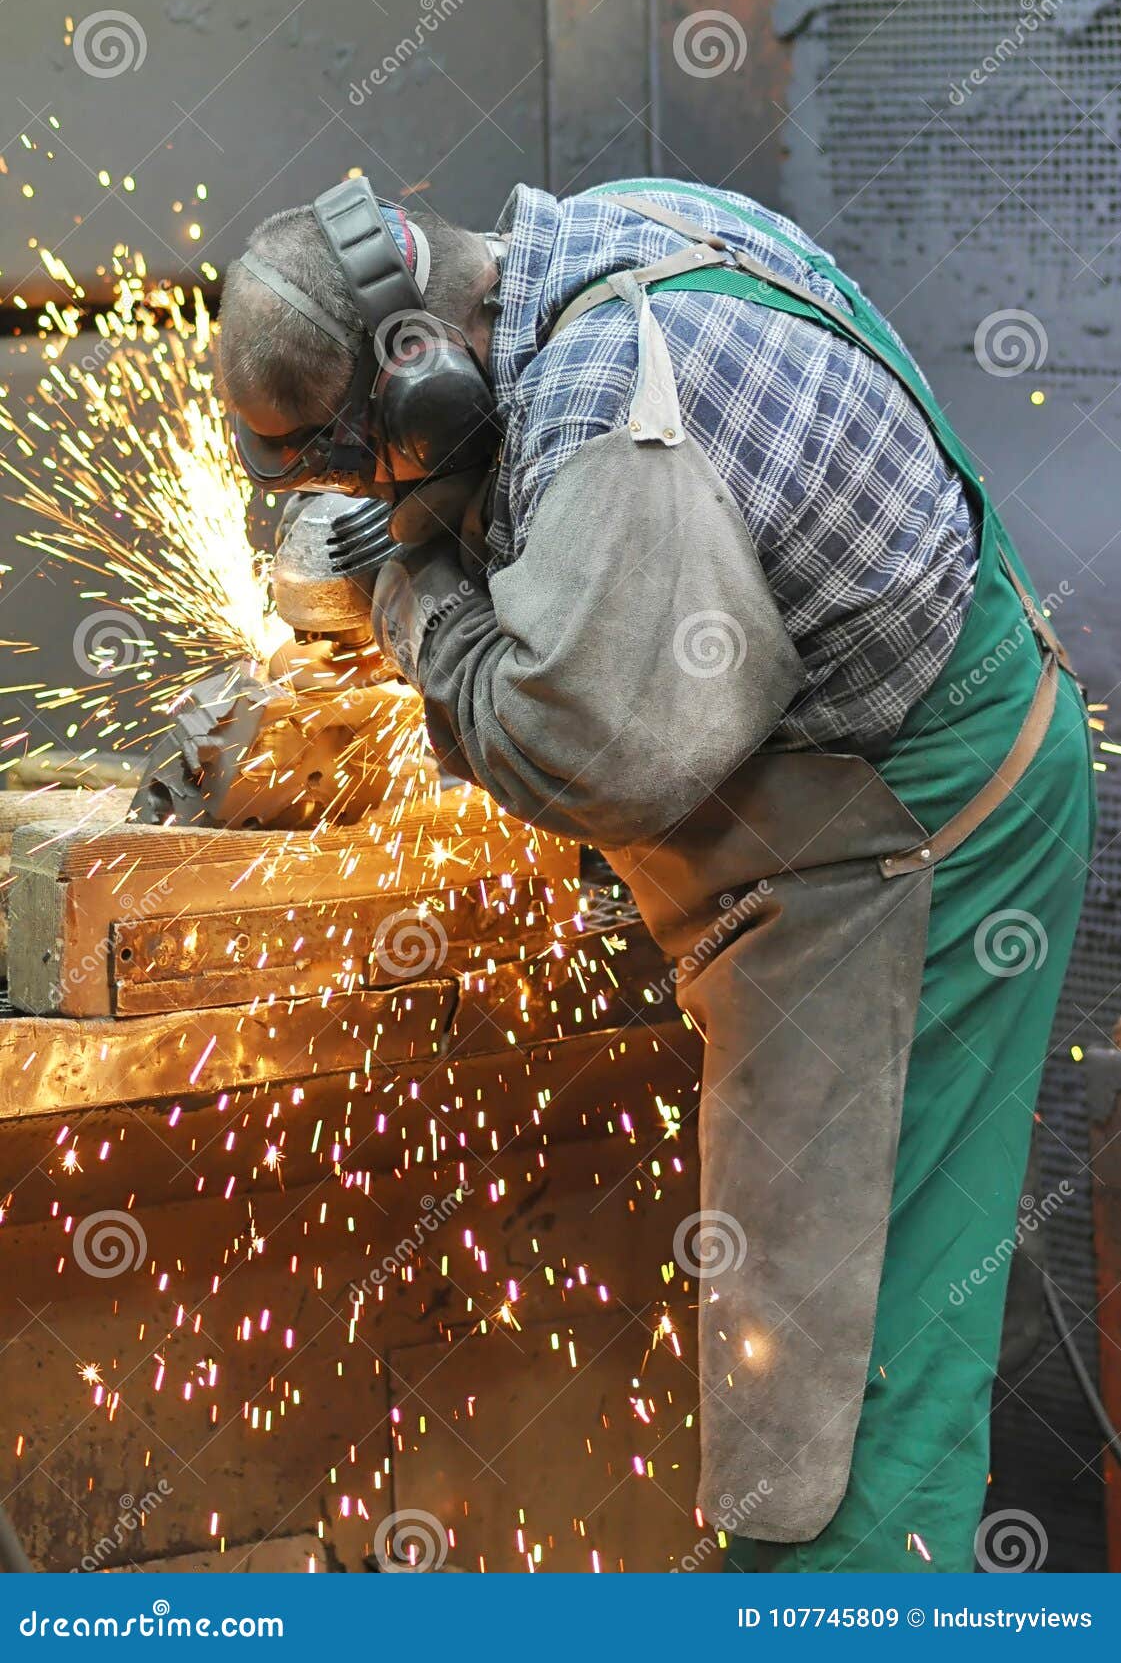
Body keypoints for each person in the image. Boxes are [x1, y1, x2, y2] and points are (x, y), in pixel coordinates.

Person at [219, 175, 1095, 1572]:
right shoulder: (593, 233)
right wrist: (429, 523)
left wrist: (408, 595)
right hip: (869, 791)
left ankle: (858, 1594)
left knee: (841, 1368)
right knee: (849, 1320)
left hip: (924, 845)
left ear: (425, 383)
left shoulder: (612, 417)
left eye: (355, 463)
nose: (360, 500)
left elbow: (595, 752)